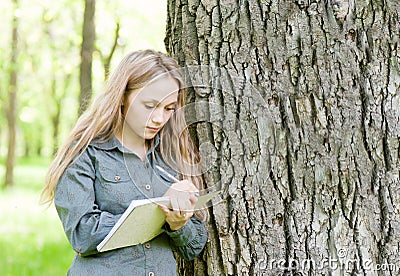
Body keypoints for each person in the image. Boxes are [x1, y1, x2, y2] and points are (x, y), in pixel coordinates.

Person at [41, 49, 208, 275]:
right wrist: (160, 214)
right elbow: (82, 234)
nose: (159, 118)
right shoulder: (86, 152)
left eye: (168, 108)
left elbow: (194, 247)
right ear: (122, 97)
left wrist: (178, 224)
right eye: (149, 106)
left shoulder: (172, 153)